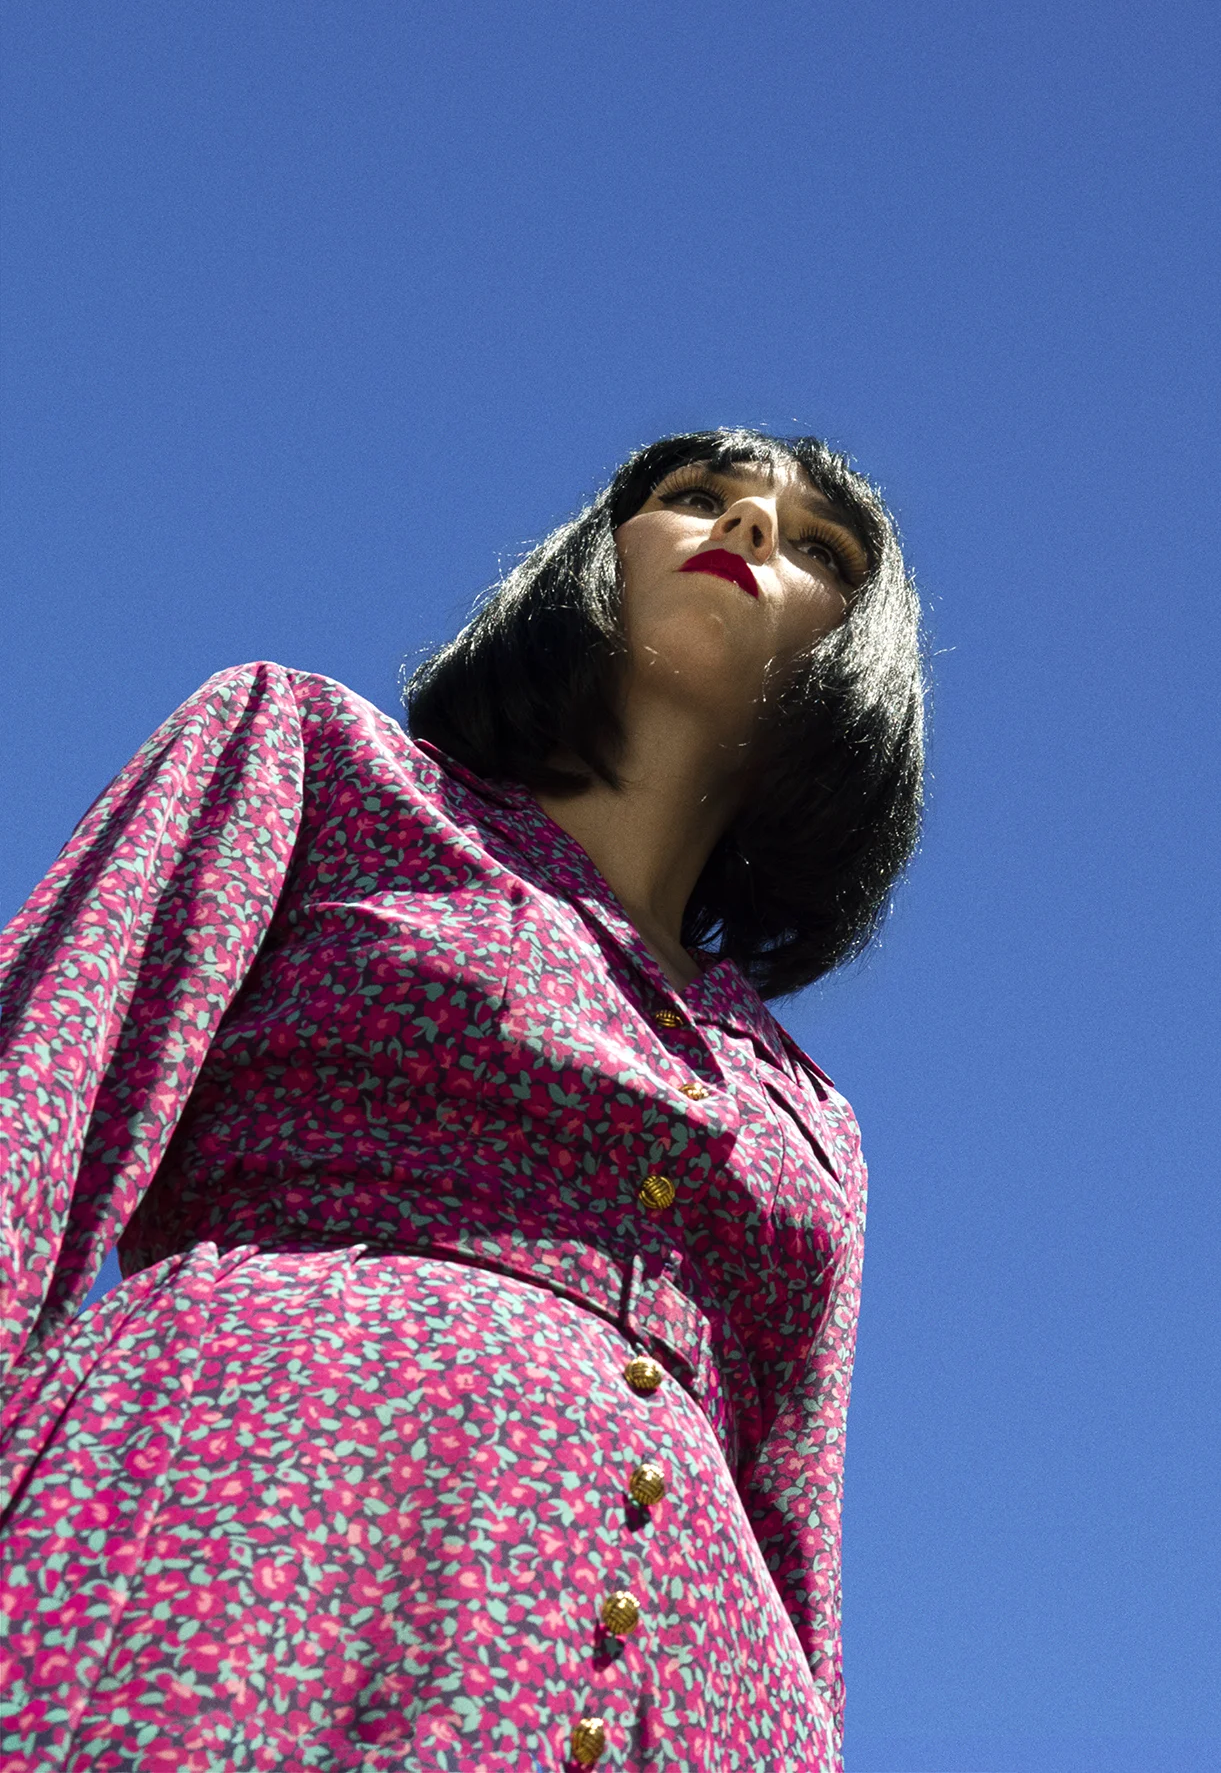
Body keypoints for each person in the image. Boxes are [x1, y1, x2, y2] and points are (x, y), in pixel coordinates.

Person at [0, 429, 924, 1771]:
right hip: (245, 1534)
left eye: (821, 546)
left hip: (706, 1702)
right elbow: (32, 1107)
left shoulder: (814, 1117)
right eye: (696, 496)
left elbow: (798, 1542)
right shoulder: (312, 758)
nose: (753, 526)